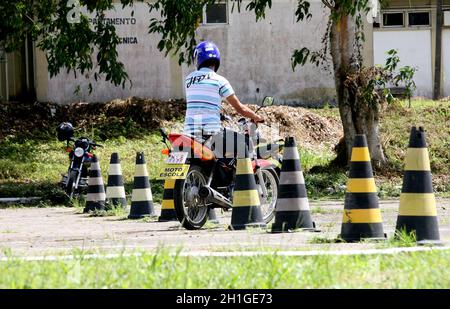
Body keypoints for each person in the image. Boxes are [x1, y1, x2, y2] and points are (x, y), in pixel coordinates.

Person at [183, 41, 264, 138]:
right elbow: (240, 108)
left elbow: (201, 103)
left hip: (189, 134)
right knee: (244, 145)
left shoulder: (188, 79)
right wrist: (256, 117)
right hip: (211, 134)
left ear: (198, 59)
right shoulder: (220, 81)